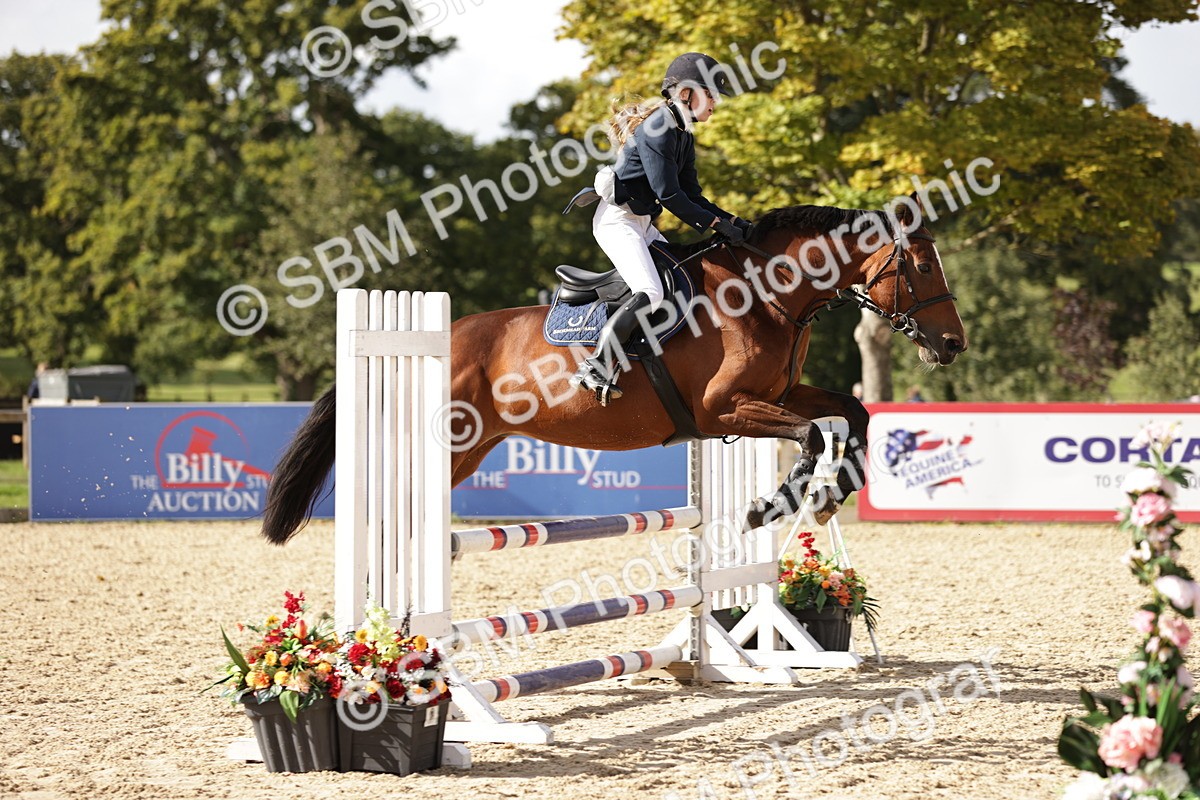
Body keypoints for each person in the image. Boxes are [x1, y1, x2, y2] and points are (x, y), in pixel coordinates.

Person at [569, 52, 751, 404]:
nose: (715, 103)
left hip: (641, 223)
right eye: (710, 94)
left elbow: (692, 195)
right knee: (651, 292)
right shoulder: (659, 128)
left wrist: (730, 220)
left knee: (682, 278)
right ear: (685, 93)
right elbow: (669, 194)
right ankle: (596, 365)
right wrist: (714, 223)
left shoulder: (683, 134)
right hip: (617, 222)